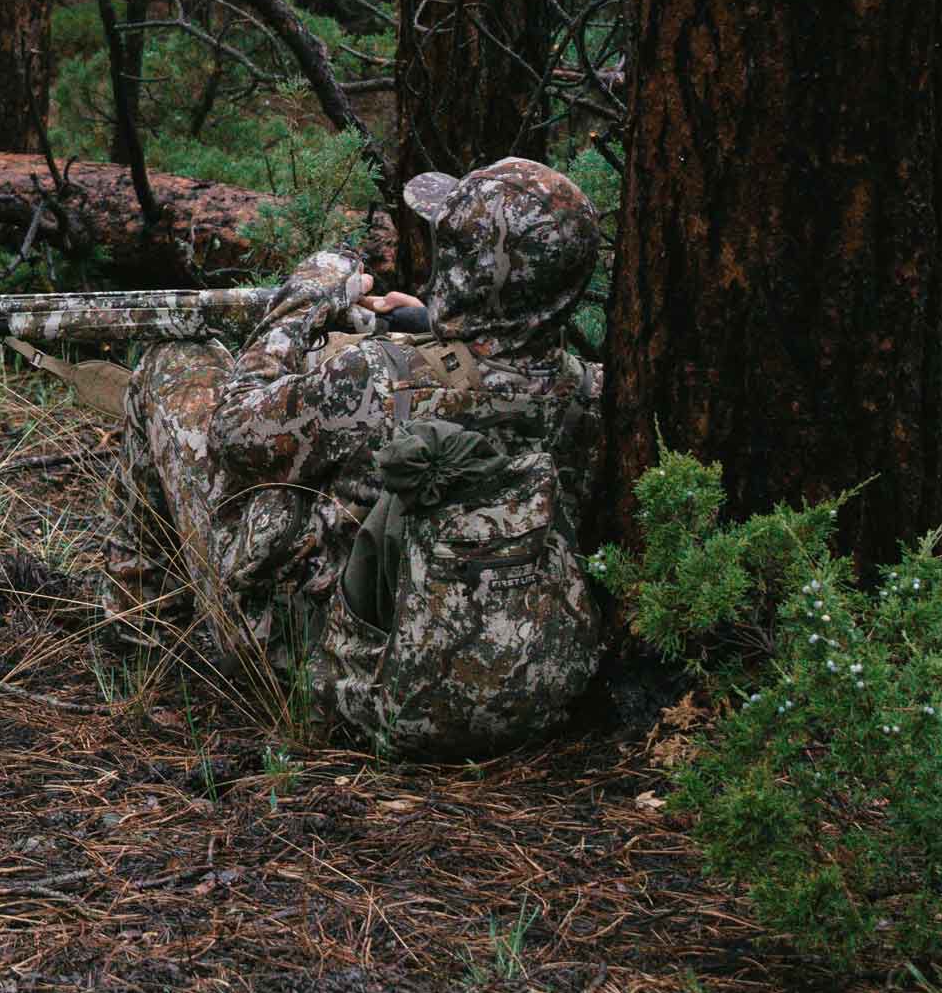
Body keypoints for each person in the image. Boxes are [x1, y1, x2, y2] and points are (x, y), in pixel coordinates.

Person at [101, 157, 605, 756]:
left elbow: (234, 434)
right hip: (476, 661)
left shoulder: (377, 378)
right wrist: (434, 324)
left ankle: (134, 649)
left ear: (467, 272)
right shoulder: (592, 392)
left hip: (316, 668)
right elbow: (495, 365)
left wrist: (302, 302)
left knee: (172, 364)